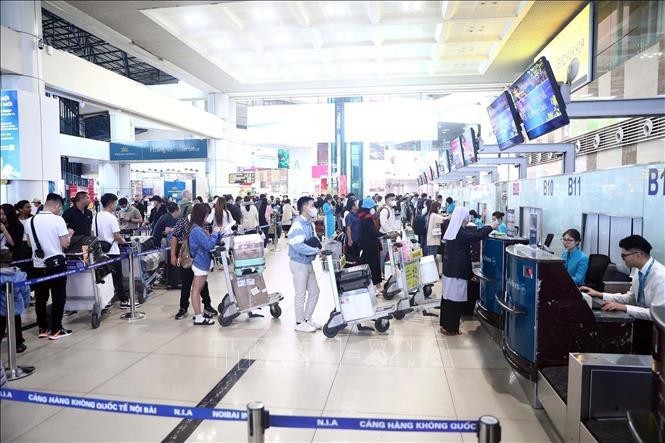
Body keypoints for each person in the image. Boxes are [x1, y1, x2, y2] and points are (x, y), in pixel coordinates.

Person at [440, 207, 498, 335]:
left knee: (447, 299)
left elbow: (473, 234)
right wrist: (490, 227)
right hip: (456, 272)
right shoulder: (460, 233)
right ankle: (451, 329)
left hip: (450, 270)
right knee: (454, 301)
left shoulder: (454, 231)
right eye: (466, 219)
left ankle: (445, 325)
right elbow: (476, 236)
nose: (467, 221)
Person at [25, 193, 74, 340]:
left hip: (38, 264)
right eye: (60, 208)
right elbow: (65, 244)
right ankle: (56, 329)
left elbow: (29, 244)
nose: (60, 211)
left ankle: (43, 328)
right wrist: (70, 235)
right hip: (56, 264)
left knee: (41, 297)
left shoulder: (30, 221)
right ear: (57, 205)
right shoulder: (58, 220)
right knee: (58, 296)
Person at [581, 235, 664, 320]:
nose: (622, 259)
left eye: (623, 256)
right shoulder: (637, 270)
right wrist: (599, 294)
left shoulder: (661, 276)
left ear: (638, 255)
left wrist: (624, 307)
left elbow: (657, 314)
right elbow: (630, 299)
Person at [169, 207, 217, 320]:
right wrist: (173, 255)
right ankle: (183, 308)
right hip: (186, 256)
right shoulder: (183, 222)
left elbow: (207, 240)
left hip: (198, 258)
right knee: (187, 283)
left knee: (203, 285)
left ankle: (207, 305)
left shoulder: (202, 224)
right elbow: (174, 238)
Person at [94, 193, 135, 309]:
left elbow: (92, 234)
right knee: (117, 277)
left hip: (100, 252)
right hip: (112, 251)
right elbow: (116, 235)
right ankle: (123, 300)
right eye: (115, 203)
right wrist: (124, 242)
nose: (116, 205)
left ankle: (106, 301)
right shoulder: (111, 217)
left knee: (104, 277)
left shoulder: (96, 216)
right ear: (111, 203)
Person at [288, 196, 322, 333]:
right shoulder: (297, 224)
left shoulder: (310, 224)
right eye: (312, 205)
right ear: (305, 207)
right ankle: (299, 322)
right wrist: (316, 250)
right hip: (298, 264)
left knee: (315, 292)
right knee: (300, 294)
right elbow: (298, 246)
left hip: (308, 263)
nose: (314, 208)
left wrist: (319, 249)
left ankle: (307, 319)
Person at [188, 203, 224, 325]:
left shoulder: (198, 228)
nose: (207, 217)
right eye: (206, 215)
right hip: (200, 262)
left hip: (201, 262)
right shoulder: (197, 230)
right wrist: (215, 232)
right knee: (196, 290)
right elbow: (208, 245)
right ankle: (198, 317)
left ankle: (198, 315)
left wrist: (217, 235)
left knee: (197, 289)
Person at [0, 249, 30, 353]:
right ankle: (18, 343)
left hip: (1, 309)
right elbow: (26, 291)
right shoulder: (19, 275)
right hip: (15, 308)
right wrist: (26, 303)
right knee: (16, 325)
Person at [357, 197, 384, 292]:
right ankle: (378, 286)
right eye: (373, 207)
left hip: (364, 245)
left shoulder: (361, 216)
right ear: (369, 208)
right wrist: (384, 234)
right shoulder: (367, 218)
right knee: (374, 265)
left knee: (368, 265)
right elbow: (373, 233)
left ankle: (371, 286)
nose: (374, 209)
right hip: (371, 245)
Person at [425, 201, 445, 267]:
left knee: (430, 256)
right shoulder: (435, 215)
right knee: (432, 257)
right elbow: (444, 219)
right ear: (437, 207)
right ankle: (430, 272)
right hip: (433, 240)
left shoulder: (431, 214)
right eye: (439, 207)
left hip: (430, 239)